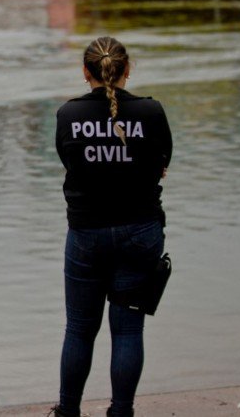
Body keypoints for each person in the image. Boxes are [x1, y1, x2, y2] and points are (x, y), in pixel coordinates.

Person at [51, 37, 173, 417]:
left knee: (80, 329)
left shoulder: (68, 116)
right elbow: (163, 164)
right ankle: (121, 412)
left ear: (85, 71)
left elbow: (69, 162)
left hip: (87, 235)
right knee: (127, 330)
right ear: (127, 70)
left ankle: (69, 411)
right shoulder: (151, 113)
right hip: (140, 233)